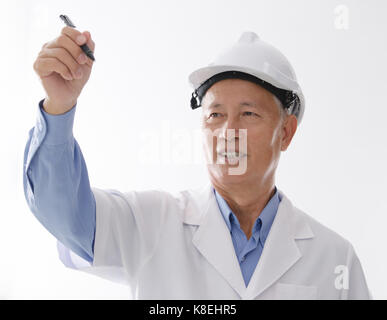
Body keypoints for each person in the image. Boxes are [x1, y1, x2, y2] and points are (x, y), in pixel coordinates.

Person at [23, 27, 371, 299]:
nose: (228, 132)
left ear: (286, 132)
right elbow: (64, 215)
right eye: (215, 115)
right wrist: (59, 105)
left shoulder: (335, 259)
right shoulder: (149, 225)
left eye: (248, 114)